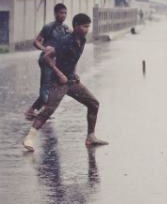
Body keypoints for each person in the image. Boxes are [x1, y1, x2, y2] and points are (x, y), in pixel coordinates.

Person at [22, 13, 108, 152]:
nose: (87, 29)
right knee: (49, 110)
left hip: (71, 81)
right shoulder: (65, 41)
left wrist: (74, 71)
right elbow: (47, 58)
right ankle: (29, 138)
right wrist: (60, 73)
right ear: (76, 26)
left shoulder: (83, 40)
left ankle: (90, 137)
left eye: (88, 26)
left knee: (93, 103)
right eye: (84, 26)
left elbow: (73, 58)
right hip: (58, 82)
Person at [25, 3, 70, 120]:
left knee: (52, 87)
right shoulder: (49, 27)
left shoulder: (65, 28)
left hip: (56, 61)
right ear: (55, 14)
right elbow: (36, 41)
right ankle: (45, 110)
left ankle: (31, 110)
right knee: (45, 86)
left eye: (65, 13)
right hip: (46, 59)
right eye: (61, 13)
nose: (63, 15)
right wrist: (44, 49)